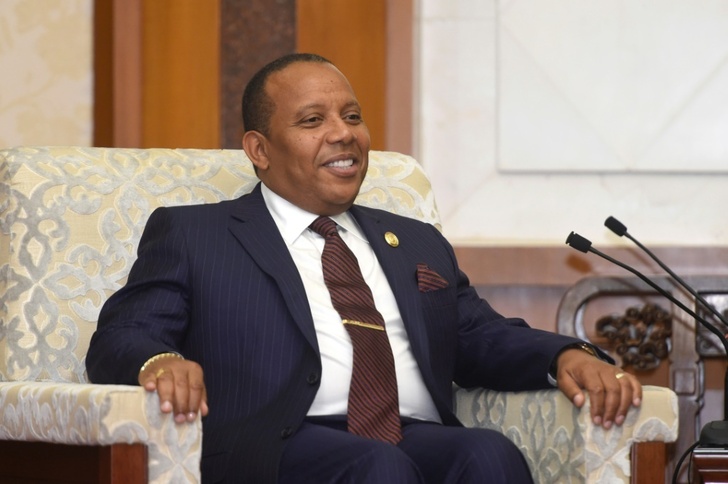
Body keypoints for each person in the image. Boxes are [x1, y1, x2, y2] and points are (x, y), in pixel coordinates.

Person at [86, 53, 642, 483]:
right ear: (259, 149)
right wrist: (159, 360)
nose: (343, 132)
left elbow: (477, 334)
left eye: (352, 116)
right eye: (313, 120)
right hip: (274, 445)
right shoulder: (196, 234)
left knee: (486, 453)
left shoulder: (415, 241)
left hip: (405, 433)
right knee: (378, 468)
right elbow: (122, 334)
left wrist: (565, 356)